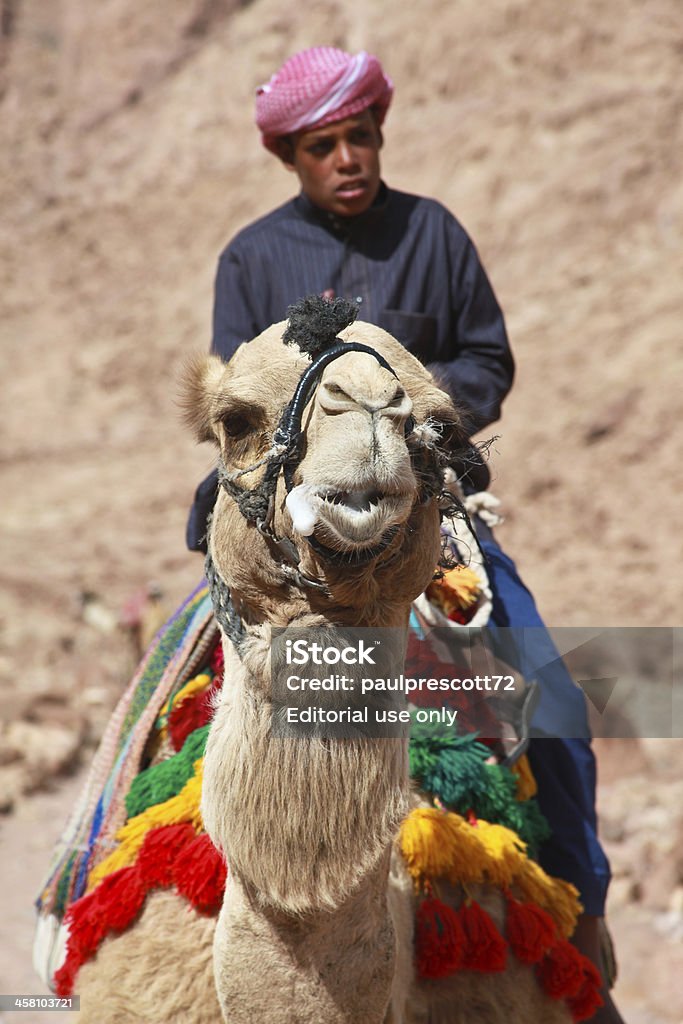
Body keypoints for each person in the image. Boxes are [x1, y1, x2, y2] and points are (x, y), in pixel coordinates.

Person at [187, 46, 623, 1021]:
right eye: (322, 145)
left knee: (549, 698)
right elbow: (238, 407)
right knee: (173, 710)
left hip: (426, 520)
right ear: (290, 157)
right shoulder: (251, 261)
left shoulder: (433, 234)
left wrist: (410, 419)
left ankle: (583, 923)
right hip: (289, 543)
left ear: (379, 134)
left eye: (359, 137)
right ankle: (99, 913)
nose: (346, 158)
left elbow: (485, 361)